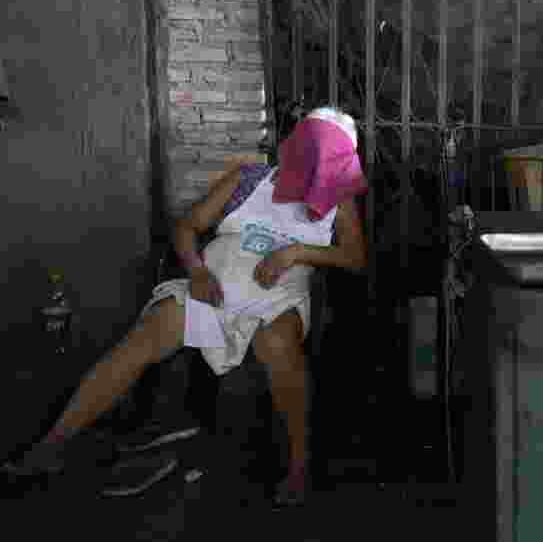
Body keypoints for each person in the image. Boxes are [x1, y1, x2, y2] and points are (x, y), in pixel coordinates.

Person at [3, 107, 368, 509]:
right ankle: (53, 444)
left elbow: (354, 257)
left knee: (279, 343)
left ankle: (298, 467)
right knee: (146, 336)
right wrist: (195, 271)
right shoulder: (248, 180)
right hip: (213, 284)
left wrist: (295, 252)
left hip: (277, 295)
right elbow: (187, 227)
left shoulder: (338, 200)